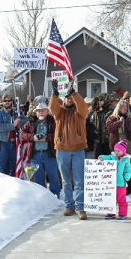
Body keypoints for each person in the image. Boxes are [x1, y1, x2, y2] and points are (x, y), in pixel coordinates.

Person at [49, 77, 88, 220]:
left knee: (78, 181)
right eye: (68, 97)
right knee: (65, 181)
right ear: (64, 100)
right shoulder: (59, 113)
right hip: (62, 150)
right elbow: (52, 107)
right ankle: (69, 206)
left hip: (78, 150)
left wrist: (74, 93)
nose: (70, 99)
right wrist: (55, 94)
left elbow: (83, 106)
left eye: (71, 97)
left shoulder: (80, 113)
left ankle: (80, 208)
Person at [21, 103, 61, 197]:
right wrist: (32, 137)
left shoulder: (53, 121)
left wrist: (46, 137)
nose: (41, 112)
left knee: (53, 177)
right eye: (39, 111)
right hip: (36, 155)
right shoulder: (31, 122)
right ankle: (41, 197)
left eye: (43, 110)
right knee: (38, 178)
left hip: (50, 154)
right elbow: (22, 133)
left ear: (47, 111)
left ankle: (55, 197)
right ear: (36, 113)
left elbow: (59, 135)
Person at [0, 94, 28, 176]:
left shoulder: (17, 111)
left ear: (12, 102)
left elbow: (26, 121)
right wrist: (13, 125)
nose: (7, 102)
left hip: (15, 142)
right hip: (3, 142)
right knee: (1, 166)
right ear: (2, 103)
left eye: (9, 100)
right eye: (5, 101)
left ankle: (14, 185)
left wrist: (19, 120)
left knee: (15, 165)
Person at [106, 99, 131, 195]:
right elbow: (110, 128)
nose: (125, 108)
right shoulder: (112, 117)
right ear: (119, 107)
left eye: (126, 106)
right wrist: (119, 121)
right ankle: (116, 188)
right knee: (116, 168)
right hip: (116, 143)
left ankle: (128, 188)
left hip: (128, 144)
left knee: (127, 167)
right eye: (123, 106)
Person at [98, 140, 131, 220]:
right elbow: (106, 157)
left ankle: (122, 213)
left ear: (123, 151)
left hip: (121, 183)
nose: (116, 152)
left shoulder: (126, 160)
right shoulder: (112, 157)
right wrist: (101, 158)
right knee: (111, 198)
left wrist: (126, 177)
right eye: (115, 150)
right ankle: (111, 213)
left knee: (121, 199)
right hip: (111, 183)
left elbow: (129, 169)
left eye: (118, 150)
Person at [91, 93, 114, 158]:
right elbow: (92, 123)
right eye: (98, 100)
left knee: (109, 161)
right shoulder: (97, 112)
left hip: (109, 141)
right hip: (98, 141)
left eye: (101, 100)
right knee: (98, 160)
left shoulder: (113, 111)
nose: (99, 102)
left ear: (105, 100)